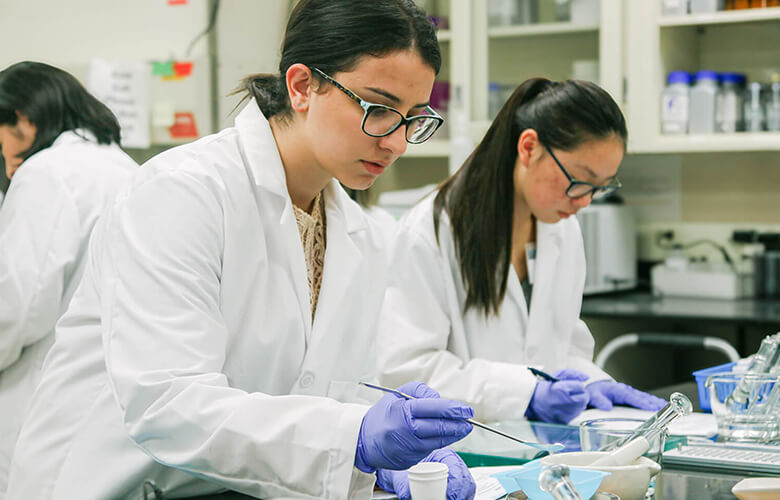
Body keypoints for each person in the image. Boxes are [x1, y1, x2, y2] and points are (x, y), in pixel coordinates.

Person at [6, 2, 476, 500]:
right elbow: (170, 405)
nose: (398, 143)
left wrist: (390, 448)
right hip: (113, 486)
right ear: (301, 86)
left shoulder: (360, 234)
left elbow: (323, 391)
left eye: (413, 118)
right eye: (378, 109)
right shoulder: (181, 193)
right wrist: (352, 436)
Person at [377, 78, 666, 426]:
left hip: (541, 452)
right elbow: (408, 371)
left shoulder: (562, 228)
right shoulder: (431, 232)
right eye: (578, 180)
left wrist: (593, 382)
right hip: (461, 452)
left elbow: (559, 346)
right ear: (528, 148)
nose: (585, 201)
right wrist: (525, 394)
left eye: (599, 188)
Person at [0, 61, 137, 497]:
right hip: (112, 407)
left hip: (43, 401)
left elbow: (17, 308)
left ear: (22, 119)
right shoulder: (126, 168)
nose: (5, 161)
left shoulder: (47, 171)